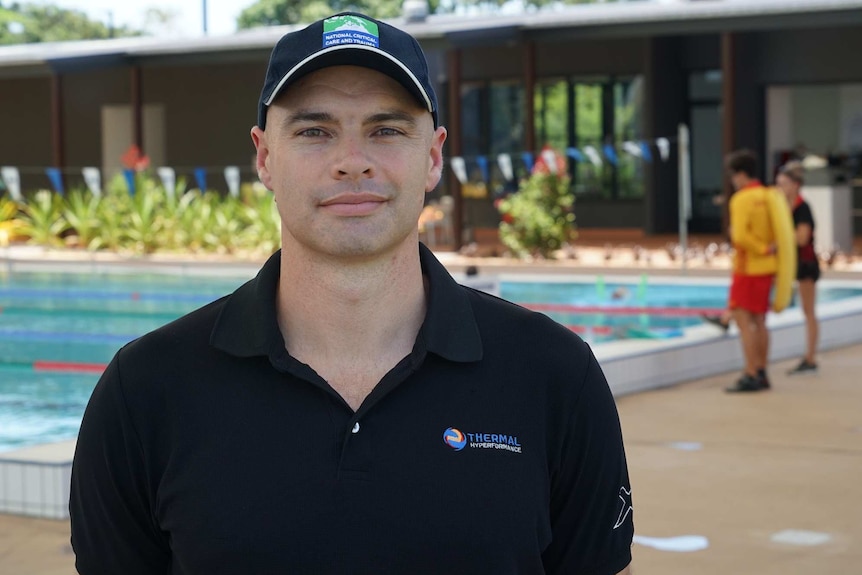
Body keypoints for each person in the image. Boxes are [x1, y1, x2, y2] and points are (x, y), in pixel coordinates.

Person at [69, 12, 634, 575]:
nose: (352, 161)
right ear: (265, 157)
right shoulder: (146, 389)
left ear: (433, 156)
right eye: (315, 131)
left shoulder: (554, 374)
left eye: (386, 130)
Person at [723, 149, 778, 393]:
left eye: (734, 176)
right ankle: (763, 370)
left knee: (743, 321)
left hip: (747, 268)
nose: (733, 181)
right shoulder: (769, 196)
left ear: (741, 174)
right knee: (761, 321)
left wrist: (761, 248)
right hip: (767, 269)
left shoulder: (741, 199)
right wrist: (769, 250)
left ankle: (751, 372)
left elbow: (741, 235)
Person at [776, 160, 820, 374]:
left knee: (808, 311)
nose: (779, 188)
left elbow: (802, 238)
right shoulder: (785, 208)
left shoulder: (802, 208)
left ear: (795, 185)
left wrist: (779, 242)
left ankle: (810, 357)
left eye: (783, 184)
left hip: (806, 264)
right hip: (794, 263)